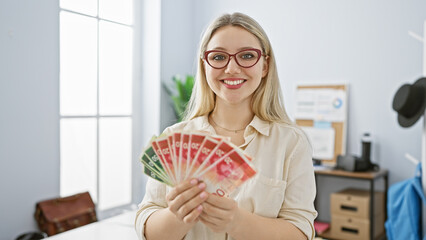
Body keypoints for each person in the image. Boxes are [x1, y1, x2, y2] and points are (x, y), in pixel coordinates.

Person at [135, 12, 317, 240]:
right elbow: (148, 228)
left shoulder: (292, 143)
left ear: (264, 66)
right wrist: (177, 215)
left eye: (247, 55)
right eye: (219, 57)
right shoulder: (174, 138)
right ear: (204, 66)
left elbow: (301, 231)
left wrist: (239, 222)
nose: (231, 68)